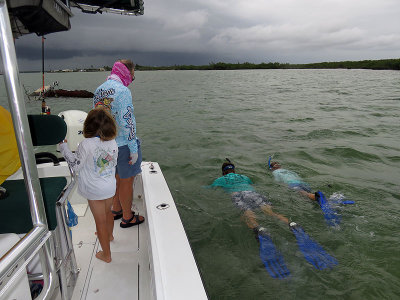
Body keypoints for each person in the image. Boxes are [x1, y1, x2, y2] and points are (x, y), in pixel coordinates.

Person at [59, 107, 118, 263]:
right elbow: (113, 162)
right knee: (108, 214)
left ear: (88, 126)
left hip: (94, 190)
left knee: (100, 223)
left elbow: (75, 165)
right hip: (110, 186)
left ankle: (106, 255)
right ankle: (110, 235)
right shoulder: (113, 142)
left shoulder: (86, 144)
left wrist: (63, 147)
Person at [93, 59, 145, 228]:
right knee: (126, 180)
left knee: (115, 176)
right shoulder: (123, 91)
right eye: (132, 75)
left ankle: (116, 209)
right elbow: (127, 122)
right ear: (126, 72)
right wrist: (133, 149)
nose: (132, 78)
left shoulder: (99, 90)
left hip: (105, 143)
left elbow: (96, 120)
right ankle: (127, 217)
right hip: (122, 144)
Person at [210, 159, 290, 235]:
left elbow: (211, 188)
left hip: (237, 195)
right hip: (251, 192)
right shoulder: (244, 177)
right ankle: (291, 224)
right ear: (234, 171)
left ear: (223, 173)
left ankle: (259, 230)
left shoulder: (220, 179)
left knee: (248, 214)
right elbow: (252, 184)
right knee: (270, 212)